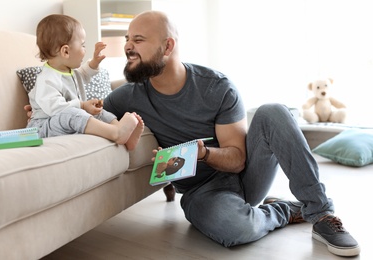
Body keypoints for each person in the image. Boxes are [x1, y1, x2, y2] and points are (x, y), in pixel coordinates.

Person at [25, 11, 360, 257]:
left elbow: (239, 157)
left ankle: (321, 213)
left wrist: (203, 153)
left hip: (243, 176)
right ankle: (286, 211)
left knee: (274, 110)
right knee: (237, 230)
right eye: (127, 39)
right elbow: (90, 113)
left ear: (167, 46)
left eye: (138, 40)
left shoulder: (216, 87)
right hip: (201, 192)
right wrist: (44, 112)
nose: (128, 46)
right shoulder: (128, 95)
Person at [27, 14, 144, 151]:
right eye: (82, 45)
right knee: (73, 114)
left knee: (98, 111)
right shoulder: (47, 79)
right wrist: (82, 105)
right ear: (65, 51)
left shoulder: (69, 71)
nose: (85, 50)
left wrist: (94, 62)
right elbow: (55, 109)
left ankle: (120, 130)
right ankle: (115, 133)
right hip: (43, 128)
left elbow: (83, 74)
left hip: (66, 121)